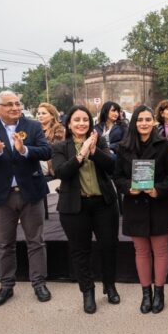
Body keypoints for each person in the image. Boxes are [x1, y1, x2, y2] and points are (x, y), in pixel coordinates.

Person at [0, 90, 52, 307]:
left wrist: (25, 149)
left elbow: (46, 152)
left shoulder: (33, 126)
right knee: (4, 243)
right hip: (1, 196)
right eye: (9, 104)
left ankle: (39, 283)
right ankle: (6, 285)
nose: (15, 108)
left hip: (31, 193)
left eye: (18, 103)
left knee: (35, 240)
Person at [52, 106, 120, 314]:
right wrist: (81, 154)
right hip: (75, 207)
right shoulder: (60, 147)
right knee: (80, 251)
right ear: (69, 124)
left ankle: (109, 285)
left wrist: (95, 151)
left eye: (85, 120)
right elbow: (62, 172)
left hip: (104, 204)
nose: (81, 123)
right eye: (76, 120)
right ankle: (87, 291)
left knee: (108, 246)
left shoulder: (99, 141)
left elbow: (112, 167)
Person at [114, 105, 168, 314]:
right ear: (134, 122)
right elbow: (117, 177)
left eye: (148, 119)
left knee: (160, 251)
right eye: (140, 119)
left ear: (154, 121)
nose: (144, 123)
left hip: (159, 204)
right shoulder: (123, 147)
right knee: (141, 251)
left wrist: (158, 190)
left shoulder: (165, 146)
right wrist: (128, 188)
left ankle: (159, 292)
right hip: (134, 205)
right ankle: (146, 293)